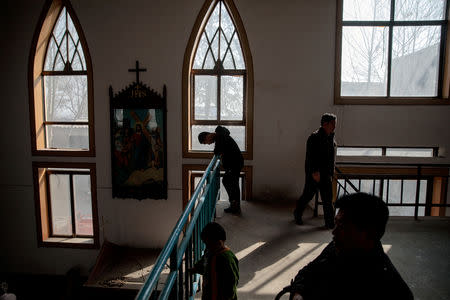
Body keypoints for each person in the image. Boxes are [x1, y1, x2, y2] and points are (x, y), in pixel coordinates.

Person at [290, 193, 414, 300]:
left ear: (368, 233)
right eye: (336, 223)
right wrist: (298, 294)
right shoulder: (337, 248)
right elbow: (308, 272)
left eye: (343, 227)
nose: (334, 232)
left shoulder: (392, 290)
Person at [294, 113, 337, 228]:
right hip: (315, 174)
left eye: (334, 124)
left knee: (328, 200)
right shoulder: (314, 137)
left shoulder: (331, 139)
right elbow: (310, 157)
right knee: (307, 196)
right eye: (332, 124)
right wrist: (314, 172)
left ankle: (330, 223)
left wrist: (331, 173)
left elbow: (331, 159)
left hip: (326, 175)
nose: (334, 126)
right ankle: (297, 214)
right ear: (325, 124)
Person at [198, 126, 244, 214]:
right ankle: (234, 205)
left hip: (234, 163)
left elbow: (217, 151)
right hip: (235, 162)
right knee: (230, 182)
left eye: (205, 142)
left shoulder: (220, 137)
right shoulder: (220, 136)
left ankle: (235, 206)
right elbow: (219, 149)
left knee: (230, 182)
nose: (208, 144)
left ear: (207, 136)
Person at [191, 222, 239, 300]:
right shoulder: (209, 251)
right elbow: (204, 264)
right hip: (208, 294)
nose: (207, 247)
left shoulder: (227, 259)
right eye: (205, 243)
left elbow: (232, 282)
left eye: (209, 244)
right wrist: (195, 269)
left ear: (219, 243)